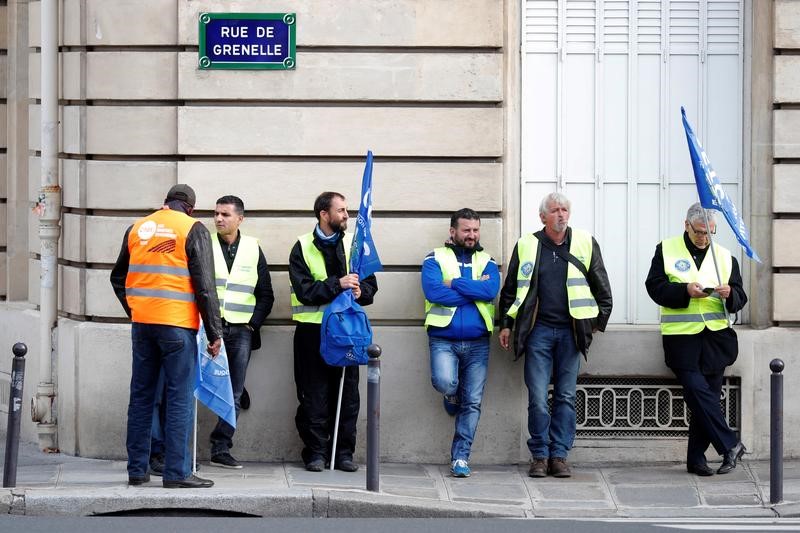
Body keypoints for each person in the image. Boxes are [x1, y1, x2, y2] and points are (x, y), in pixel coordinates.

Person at [110, 184, 222, 489]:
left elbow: (117, 277)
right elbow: (205, 286)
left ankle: (137, 470)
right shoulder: (192, 229)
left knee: (142, 396)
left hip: (143, 325)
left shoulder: (137, 228)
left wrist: (135, 310)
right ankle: (177, 473)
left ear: (165, 203)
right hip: (177, 326)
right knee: (179, 397)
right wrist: (215, 332)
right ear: (191, 208)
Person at [498, 192, 612, 478]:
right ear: (542, 217)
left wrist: (595, 324)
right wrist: (506, 325)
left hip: (570, 334)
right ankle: (539, 454)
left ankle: (559, 455)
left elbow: (602, 288)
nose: (561, 214)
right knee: (537, 396)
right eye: (555, 210)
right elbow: (511, 288)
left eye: (564, 210)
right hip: (537, 333)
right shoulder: (527, 244)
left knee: (565, 396)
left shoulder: (585, 242)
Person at [645, 203, 747, 476]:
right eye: (701, 232)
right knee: (696, 390)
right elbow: (654, 288)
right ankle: (730, 444)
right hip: (682, 338)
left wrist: (730, 294)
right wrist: (685, 290)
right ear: (687, 226)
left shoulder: (725, 256)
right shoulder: (665, 250)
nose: (705, 238)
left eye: (710, 233)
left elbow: (741, 297)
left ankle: (696, 459)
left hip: (717, 338)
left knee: (708, 398)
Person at [289, 191, 378, 472]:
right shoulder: (302, 246)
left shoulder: (355, 242)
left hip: (347, 332)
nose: (346, 215)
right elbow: (303, 291)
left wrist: (361, 290)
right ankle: (316, 453)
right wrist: (336, 284)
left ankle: (343, 454)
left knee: (348, 396)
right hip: (312, 331)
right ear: (323, 215)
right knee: (313, 396)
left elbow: (371, 285)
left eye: (347, 210)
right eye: (340, 210)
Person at [421, 208, 500, 478]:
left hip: (478, 342)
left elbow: (491, 291)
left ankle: (460, 458)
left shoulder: (487, 260)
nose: (472, 235)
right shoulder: (434, 258)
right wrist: (473, 291)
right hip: (444, 338)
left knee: (473, 402)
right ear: (452, 231)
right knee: (445, 382)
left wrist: (453, 282)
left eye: (475, 230)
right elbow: (434, 291)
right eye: (466, 230)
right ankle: (451, 393)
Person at [208, 195, 275, 469]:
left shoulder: (252, 247)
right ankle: (180, 448)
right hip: (208, 329)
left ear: (240, 218)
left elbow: (266, 295)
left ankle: (220, 447)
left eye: (225, 214)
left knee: (233, 393)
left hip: (240, 331)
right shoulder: (204, 243)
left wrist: (252, 324)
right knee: (195, 386)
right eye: (216, 214)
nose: (218, 219)